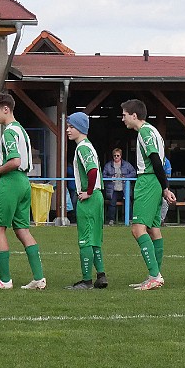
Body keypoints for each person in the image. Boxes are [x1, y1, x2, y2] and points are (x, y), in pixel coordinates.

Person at [0, 93, 46, 290]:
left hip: (11, 182)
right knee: (22, 230)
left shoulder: (8, 132)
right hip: (25, 182)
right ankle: (38, 277)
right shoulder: (22, 131)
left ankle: (5, 280)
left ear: (5, 109)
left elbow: (14, 161)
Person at [120, 99, 176, 291]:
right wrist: (164, 186)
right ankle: (155, 275)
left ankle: (155, 275)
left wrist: (165, 187)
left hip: (148, 181)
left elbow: (155, 159)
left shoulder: (145, 132)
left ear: (134, 116)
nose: (123, 119)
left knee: (137, 229)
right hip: (154, 182)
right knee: (153, 228)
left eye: (124, 115)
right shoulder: (153, 131)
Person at [64, 112, 108, 290]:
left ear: (80, 128)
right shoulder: (89, 146)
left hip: (90, 198)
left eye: (71, 126)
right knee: (95, 238)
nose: (68, 130)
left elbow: (92, 171)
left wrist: (88, 192)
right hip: (98, 196)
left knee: (85, 239)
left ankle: (86, 280)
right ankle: (101, 276)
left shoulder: (82, 148)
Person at [103, 147, 136, 225]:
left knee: (128, 203)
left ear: (121, 156)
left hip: (124, 188)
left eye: (118, 155)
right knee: (112, 204)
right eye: (114, 155)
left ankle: (130, 219)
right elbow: (103, 175)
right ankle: (111, 220)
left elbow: (133, 172)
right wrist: (110, 178)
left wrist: (126, 177)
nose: (116, 157)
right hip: (113, 189)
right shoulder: (108, 165)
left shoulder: (127, 165)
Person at [159, 156, 173, 224]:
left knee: (164, 203)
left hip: (163, 186)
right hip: (152, 185)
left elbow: (168, 175)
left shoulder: (166, 161)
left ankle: (161, 220)